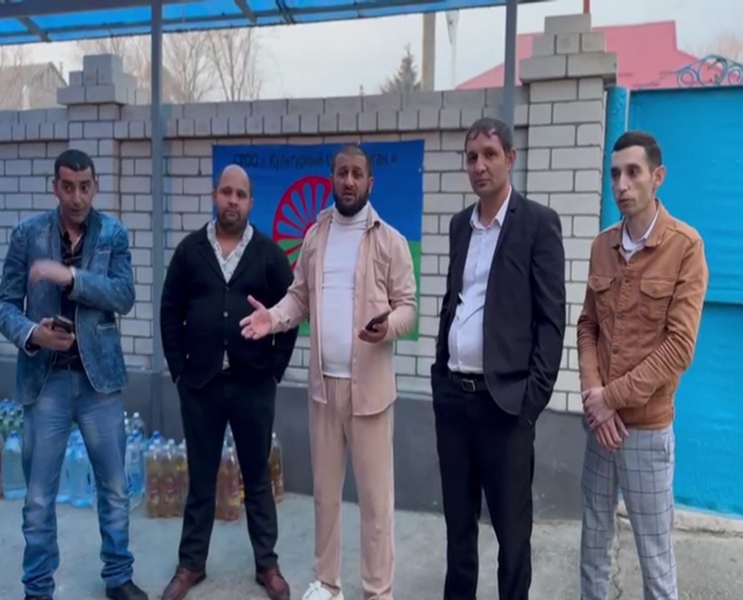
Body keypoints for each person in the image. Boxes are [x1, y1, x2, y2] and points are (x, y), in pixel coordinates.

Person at [240, 143, 417, 600]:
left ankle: (378, 591)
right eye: (342, 173)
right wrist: (272, 318)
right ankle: (327, 583)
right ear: (332, 178)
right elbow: (298, 297)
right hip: (323, 390)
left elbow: (408, 307)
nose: (349, 181)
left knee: (376, 502)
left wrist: (388, 327)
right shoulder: (316, 236)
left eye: (357, 173)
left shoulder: (390, 241)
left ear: (370, 182)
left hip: (371, 393)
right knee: (325, 496)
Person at [0, 149, 147, 600]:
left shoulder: (112, 233)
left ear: (94, 186)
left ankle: (118, 577)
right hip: (46, 384)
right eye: (68, 187)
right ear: (54, 187)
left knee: (114, 487)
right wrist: (33, 334)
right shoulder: (27, 235)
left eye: (84, 187)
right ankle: (38, 588)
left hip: (100, 383)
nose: (77, 197)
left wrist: (69, 277)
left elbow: (123, 295)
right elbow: (3, 305)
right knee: (39, 497)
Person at [431, 117, 566, 600]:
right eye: (472, 157)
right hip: (455, 400)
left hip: (505, 406)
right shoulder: (459, 226)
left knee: (512, 535)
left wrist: (530, 403)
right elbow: (457, 302)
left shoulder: (538, 224)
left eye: (489, 155)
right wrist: (439, 375)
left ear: (510, 158)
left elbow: (551, 321)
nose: (479, 166)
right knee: (458, 528)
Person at [577, 131, 708, 600]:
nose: (621, 184)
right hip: (601, 429)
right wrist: (595, 400)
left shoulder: (685, 247)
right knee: (593, 547)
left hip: (647, 433)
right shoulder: (602, 246)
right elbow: (588, 326)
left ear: (658, 177)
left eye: (633, 172)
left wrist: (609, 399)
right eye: (615, 173)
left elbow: (679, 347)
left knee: (655, 560)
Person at [158, 164, 298, 600]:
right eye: (226, 192)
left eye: (240, 194)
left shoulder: (269, 255)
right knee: (201, 477)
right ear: (214, 195)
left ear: (251, 202)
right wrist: (179, 370)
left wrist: (274, 370)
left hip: (253, 384)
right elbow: (169, 311)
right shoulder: (190, 251)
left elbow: (291, 312)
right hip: (200, 385)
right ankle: (190, 564)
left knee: (257, 477)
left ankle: (267, 565)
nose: (232, 201)